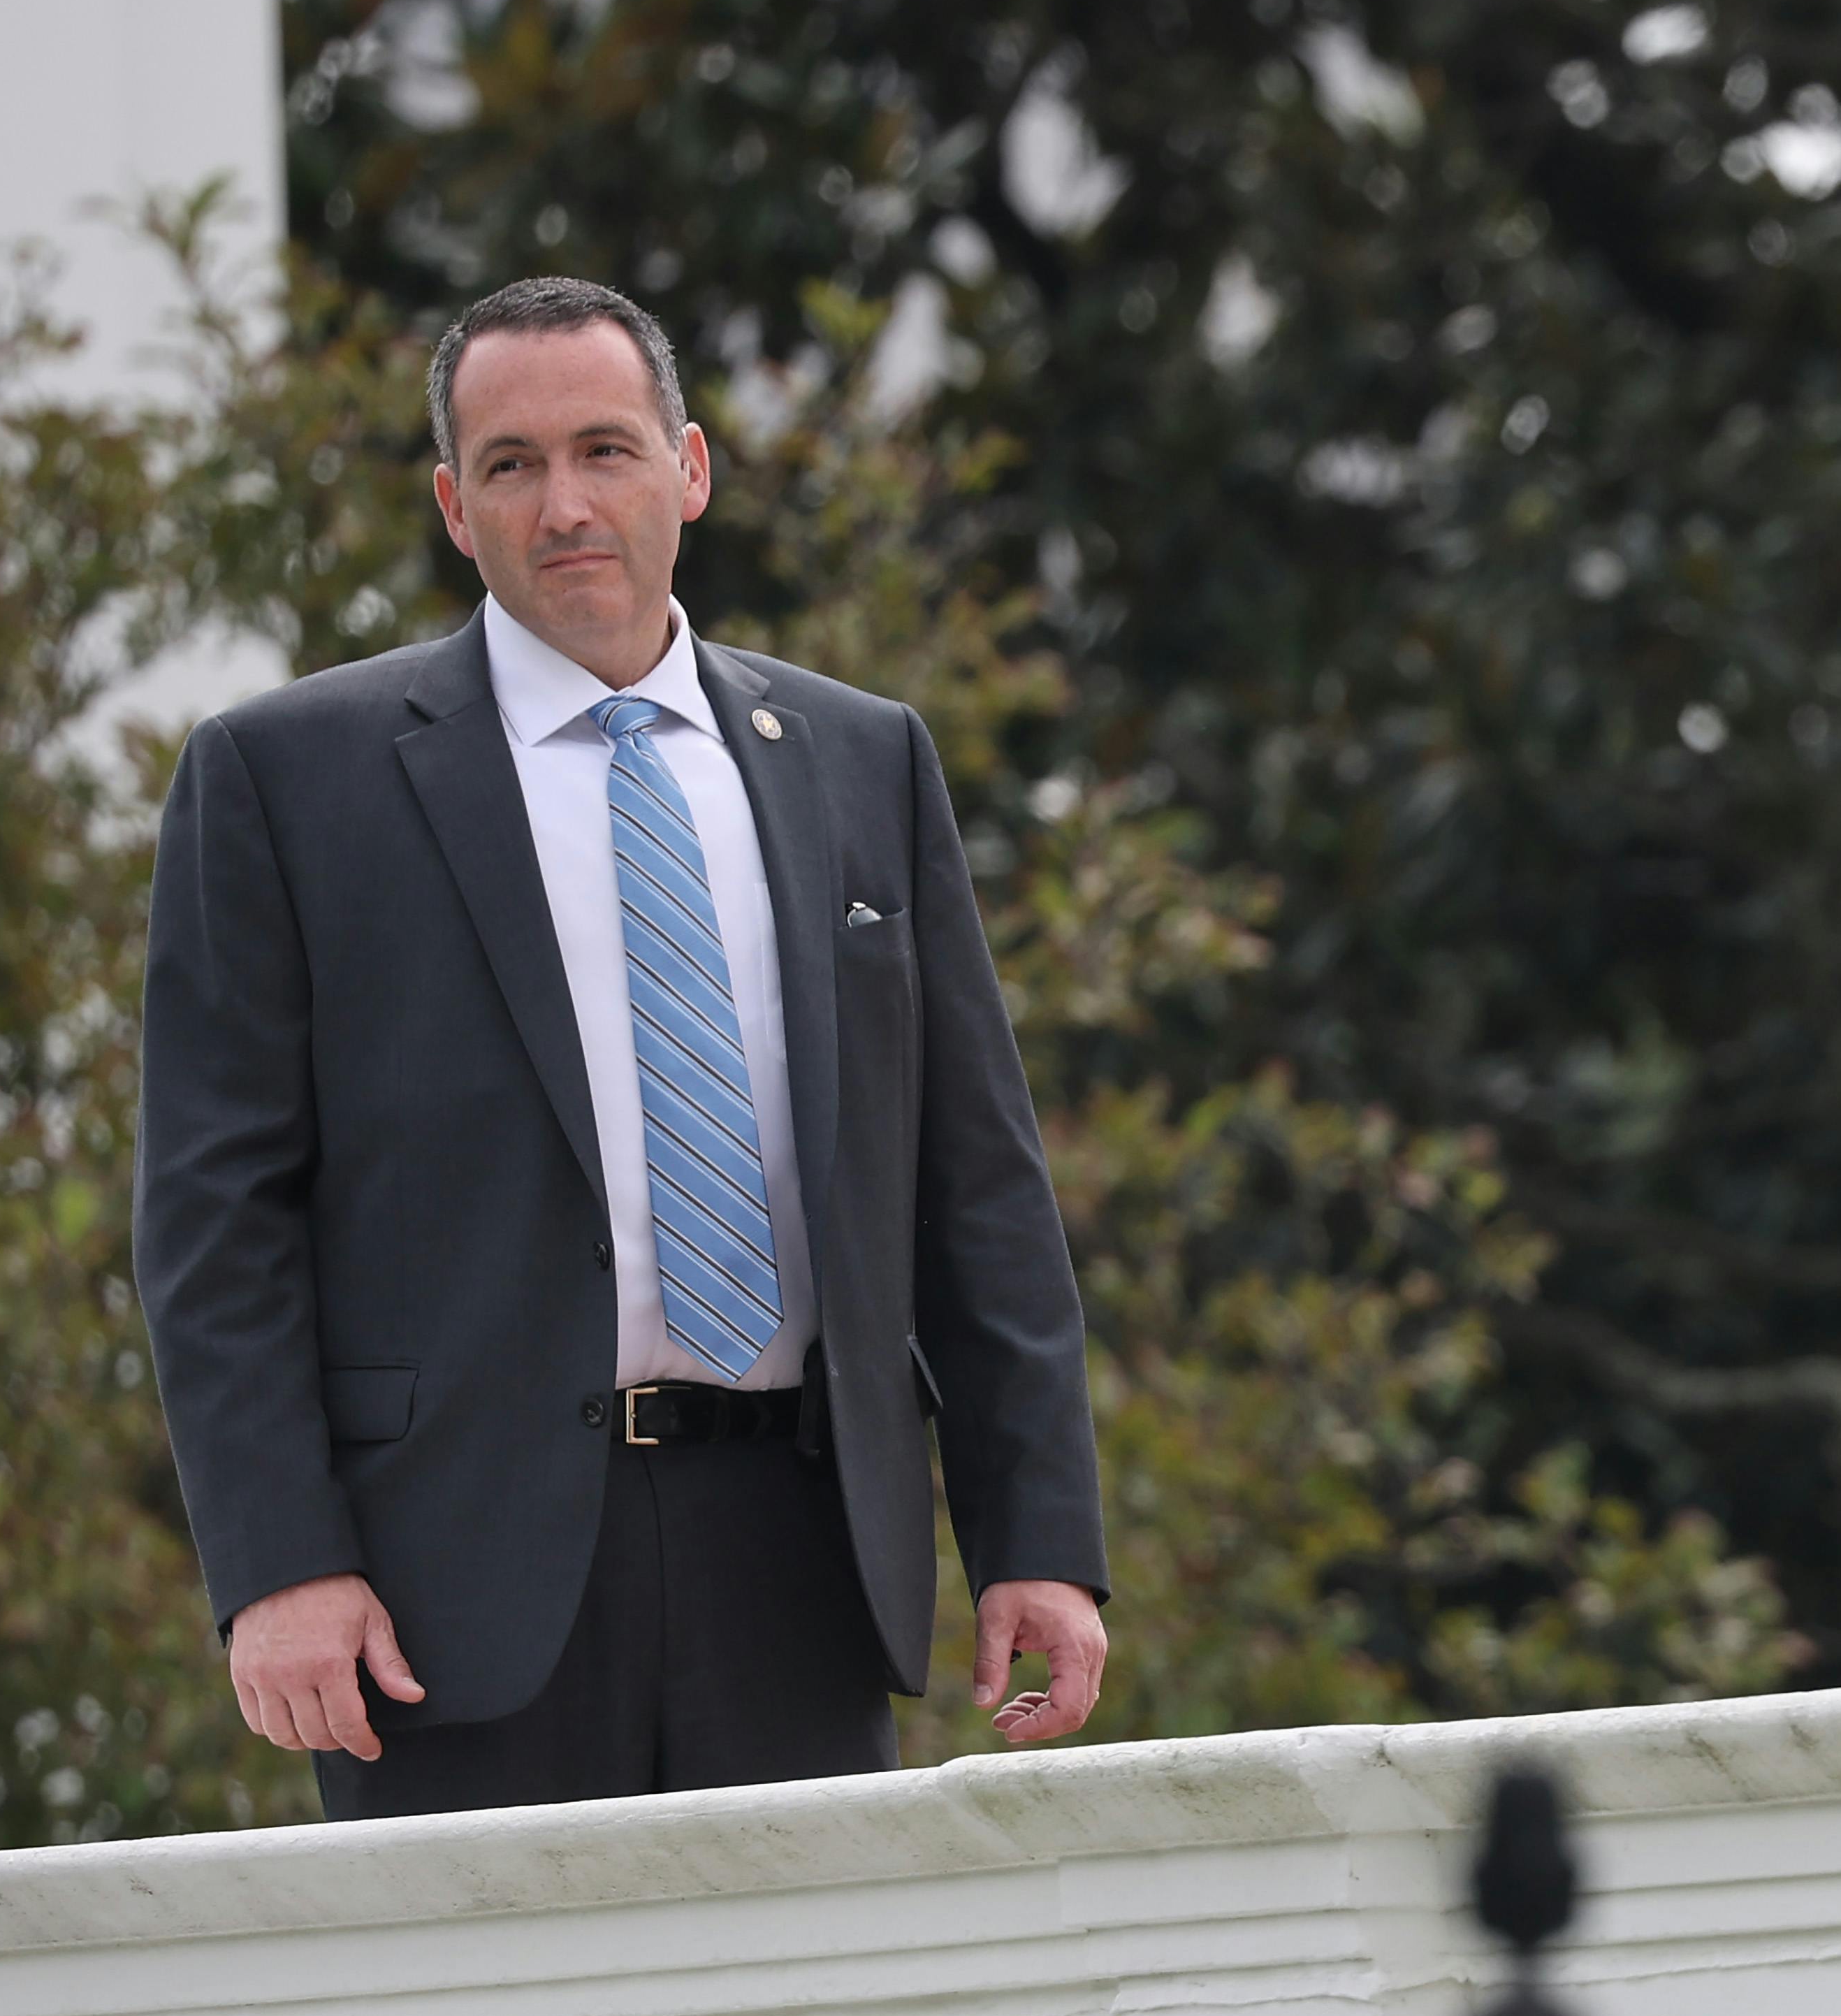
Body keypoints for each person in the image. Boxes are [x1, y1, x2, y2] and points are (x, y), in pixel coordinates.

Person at [137, 275, 1111, 1814]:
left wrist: (1040, 1534)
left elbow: (973, 1180)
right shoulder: (283, 780)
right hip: (443, 1579)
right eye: (512, 466)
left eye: (606, 448)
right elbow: (214, 1215)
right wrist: (281, 1563)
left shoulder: (864, 760)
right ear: (455, 508)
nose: (565, 503)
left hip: (798, 1549)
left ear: (693, 467)